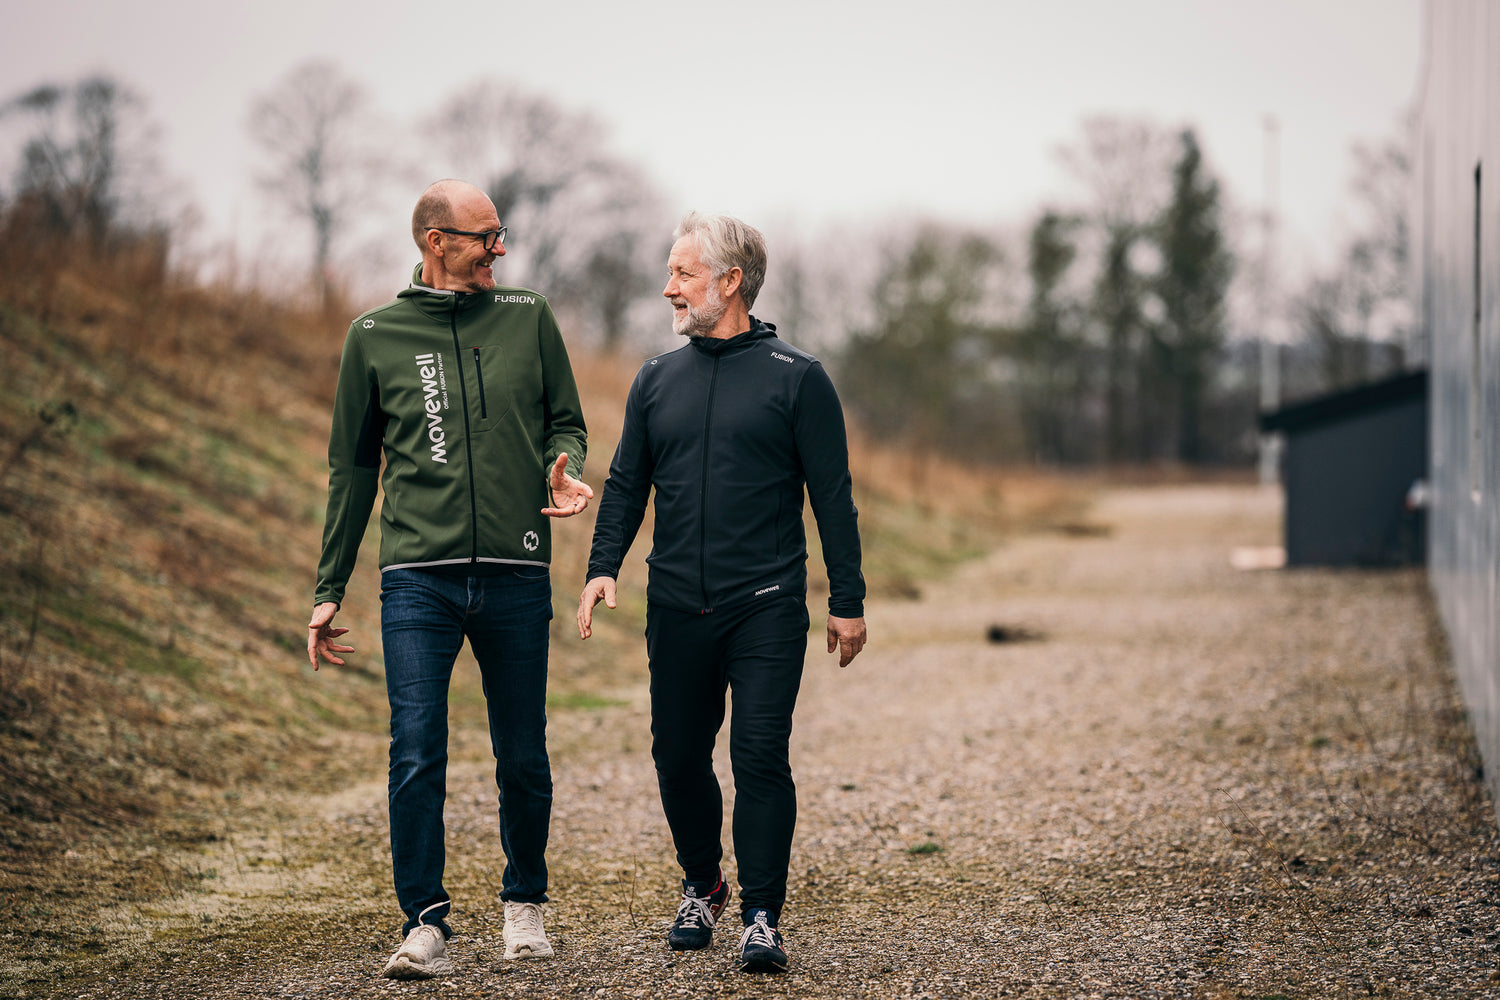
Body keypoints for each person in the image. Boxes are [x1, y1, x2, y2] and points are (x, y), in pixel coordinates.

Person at [306, 179, 592, 980]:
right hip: (418, 581)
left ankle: (525, 904)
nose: (501, 248)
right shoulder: (374, 336)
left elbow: (563, 418)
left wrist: (561, 466)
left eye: (503, 234)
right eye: (485, 236)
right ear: (436, 241)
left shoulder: (529, 318)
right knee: (416, 750)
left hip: (514, 570)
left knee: (522, 752)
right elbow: (353, 470)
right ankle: (424, 921)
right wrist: (329, 585)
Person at [577, 212, 867, 974]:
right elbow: (627, 485)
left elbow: (832, 496)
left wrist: (848, 598)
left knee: (760, 753)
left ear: (730, 281)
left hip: (765, 603)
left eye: (682, 273)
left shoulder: (796, 378)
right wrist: (602, 566)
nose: (668, 287)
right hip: (676, 604)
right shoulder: (654, 379)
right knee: (676, 756)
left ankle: (763, 915)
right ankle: (703, 883)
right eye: (671, 273)